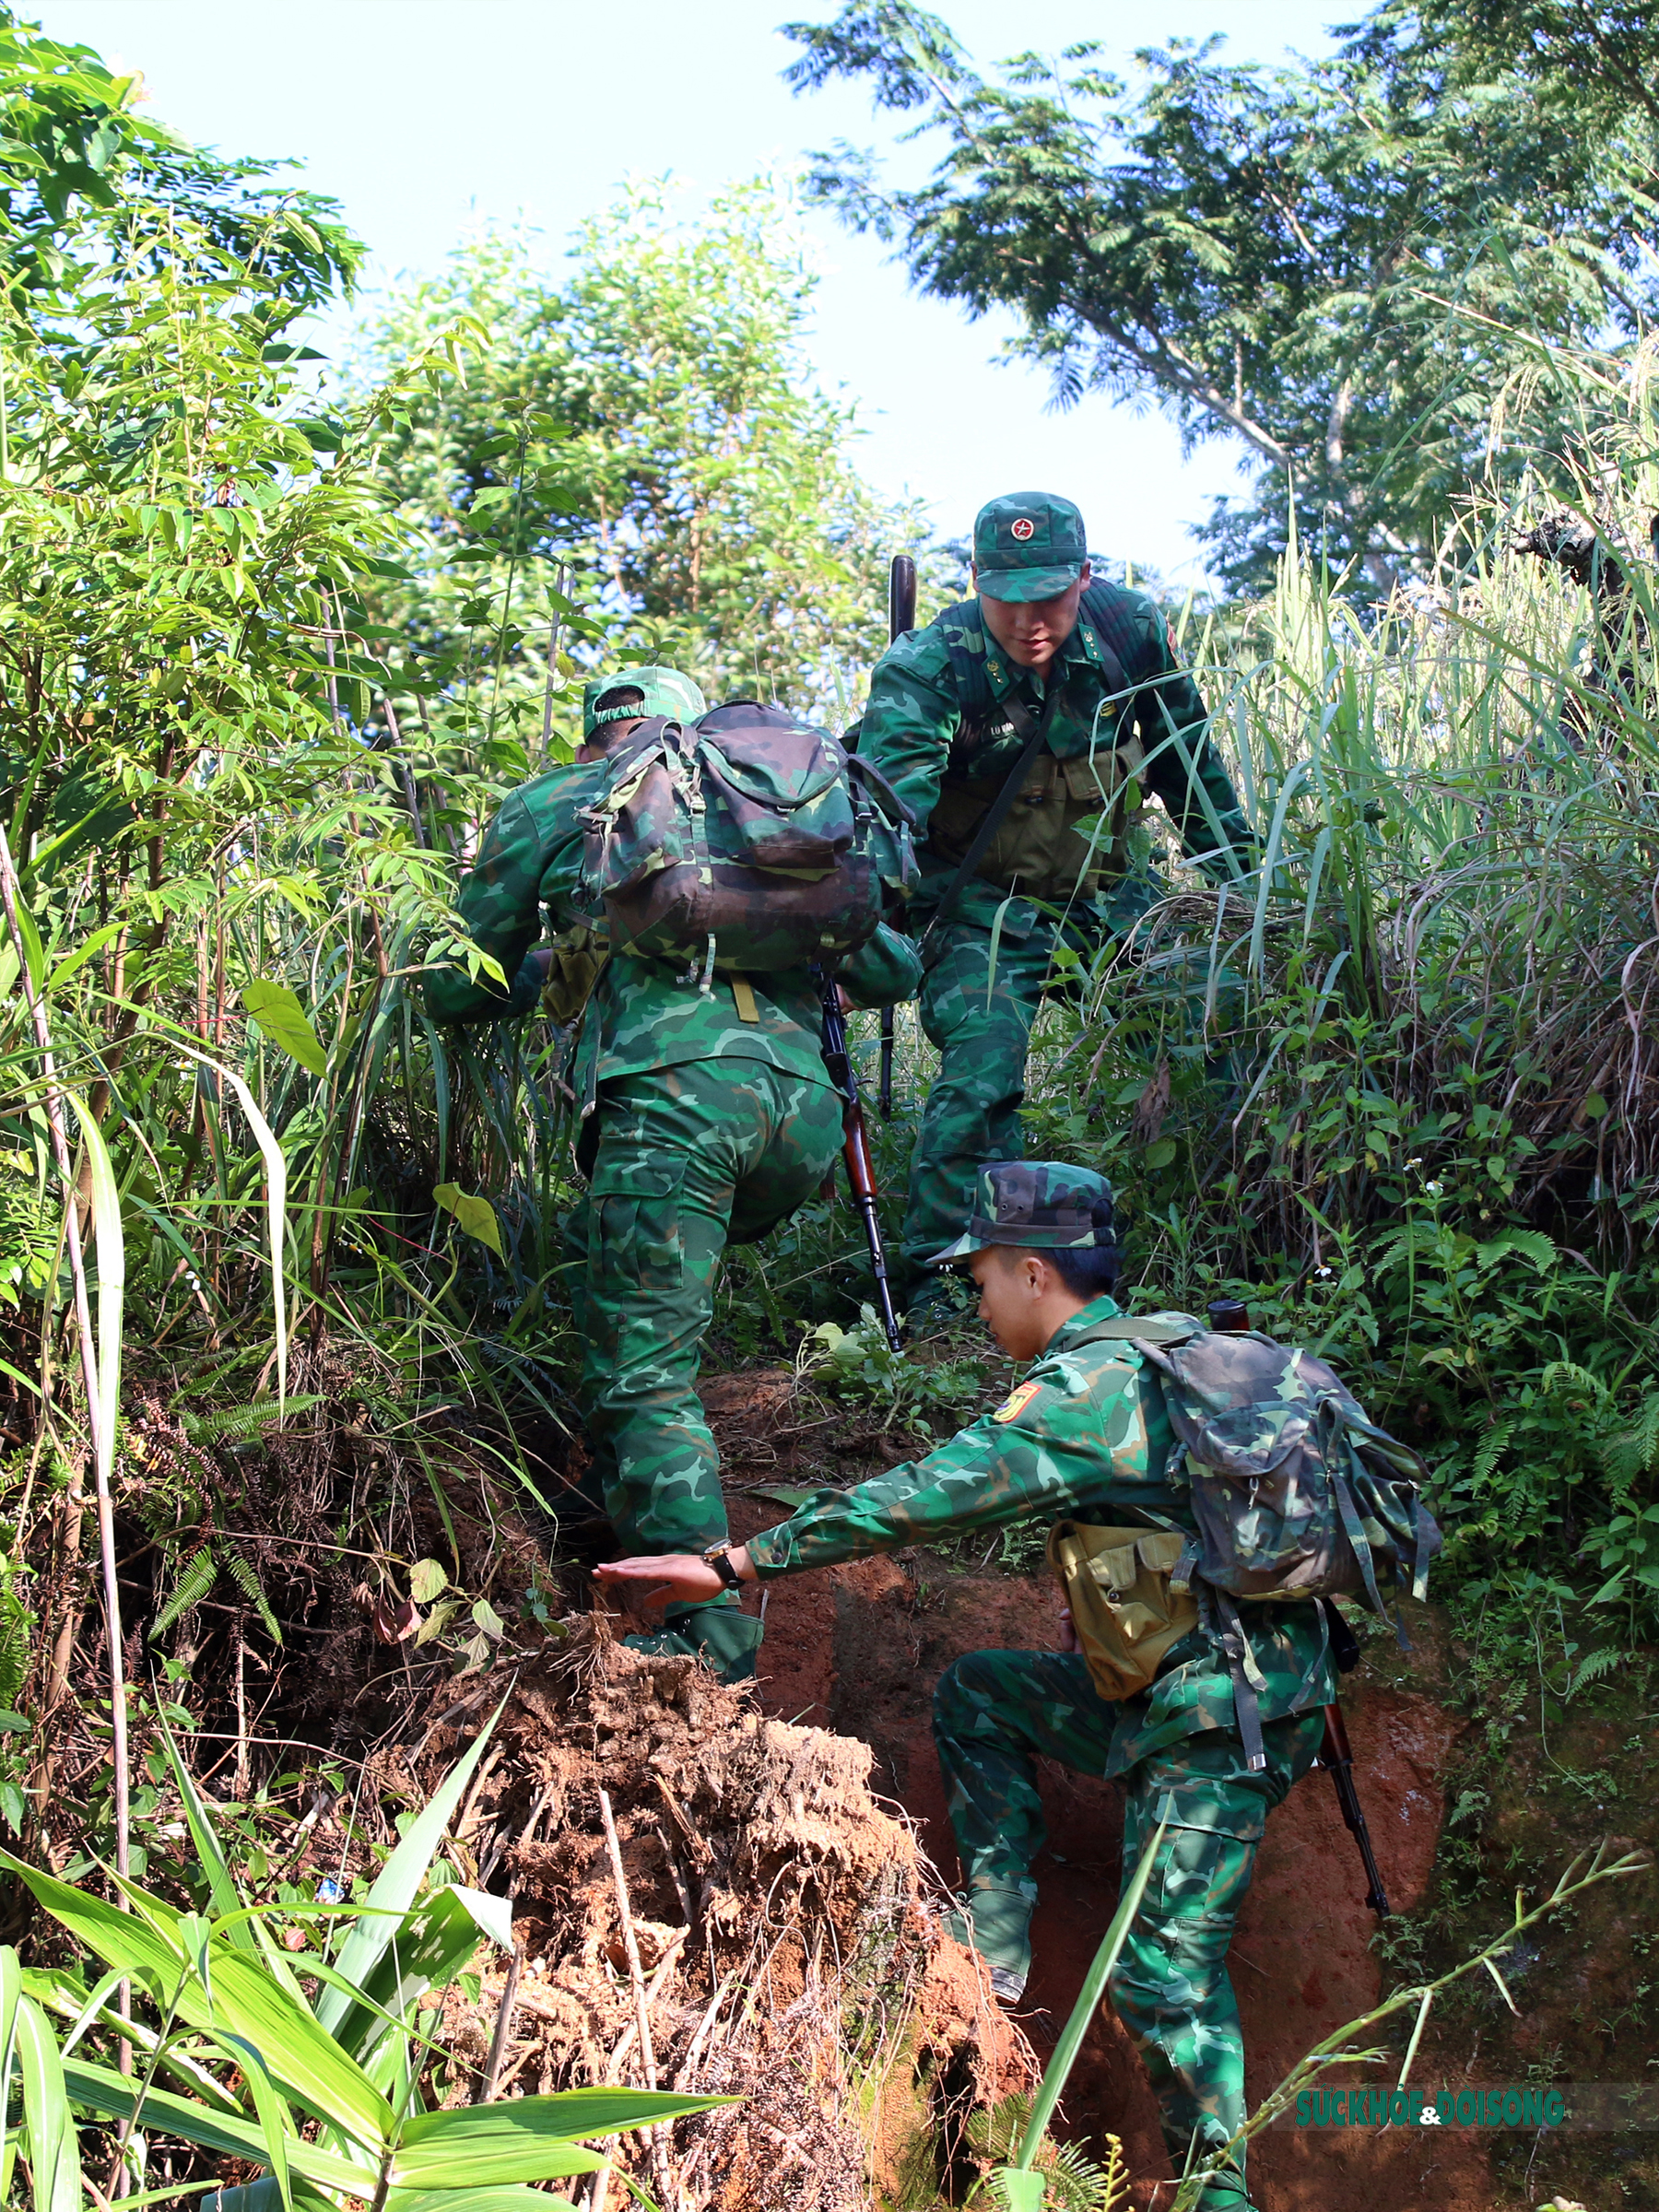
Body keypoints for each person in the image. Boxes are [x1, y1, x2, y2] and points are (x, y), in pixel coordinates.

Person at [595, 1161, 1334, 2211]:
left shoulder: (1093, 1392)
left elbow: (925, 1499)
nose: (977, 1302)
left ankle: (1222, 2196)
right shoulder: (1178, 1352)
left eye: (983, 1277)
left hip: (1222, 1720)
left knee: (1165, 1980)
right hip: (1197, 1694)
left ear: (1035, 1273)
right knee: (981, 1694)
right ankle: (995, 1939)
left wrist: (727, 1568)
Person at [426, 667, 922, 1685]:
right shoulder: (752, 810)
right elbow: (890, 972)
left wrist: (554, 961)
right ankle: (601, 1503)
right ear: (687, 731)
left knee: (646, 1368)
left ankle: (706, 1646)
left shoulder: (566, 801)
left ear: (594, 736)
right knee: (608, 1283)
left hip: (673, 1107)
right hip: (799, 1122)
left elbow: (453, 983)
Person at [855, 492, 1255, 1319]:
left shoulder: (1126, 631)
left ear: (1085, 576)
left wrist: (1252, 893)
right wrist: (869, 924)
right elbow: (890, 819)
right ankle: (942, 1284)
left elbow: (1191, 768)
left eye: (1052, 595)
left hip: (1108, 897)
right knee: (982, 1071)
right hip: (981, 910)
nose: (1032, 619)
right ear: (973, 581)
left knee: (1213, 1031)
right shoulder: (932, 668)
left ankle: (1231, 1231)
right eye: (1009, 597)